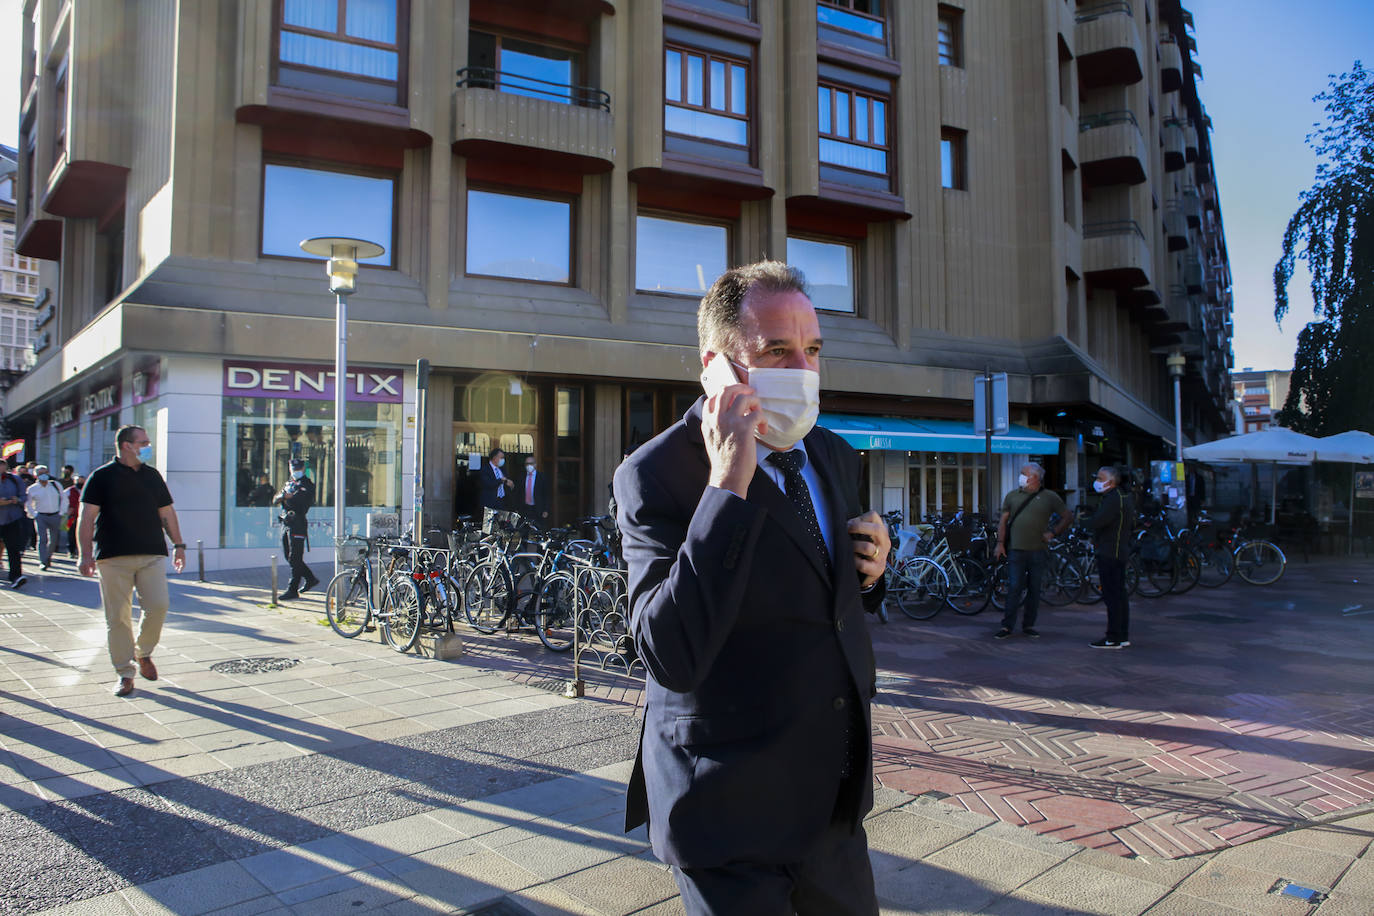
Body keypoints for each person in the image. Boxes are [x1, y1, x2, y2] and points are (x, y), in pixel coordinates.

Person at [613, 260, 891, 915]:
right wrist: (727, 485)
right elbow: (667, 650)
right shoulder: (654, 474)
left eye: (813, 350)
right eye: (776, 351)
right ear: (718, 365)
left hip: (833, 807)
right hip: (727, 813)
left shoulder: (832, 454)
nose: (803, 368)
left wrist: (874, 571)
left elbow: (828, 593)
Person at [77, 425, 187, 698]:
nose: (148, 446)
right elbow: (86, 518)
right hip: (113, 557)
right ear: (126, 445)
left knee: (159, 606)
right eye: (144, 442)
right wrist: (85, 554)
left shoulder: (152, 475)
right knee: (118, 618)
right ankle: (125, 673)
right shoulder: (101, 477)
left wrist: (179, 545)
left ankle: (143, 652)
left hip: (151, 553)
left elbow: (167, 512)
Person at [993, 461, 1070, 639]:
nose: (1020, 476)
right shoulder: (1012, 496)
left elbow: (1067, 516)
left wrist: (1053, 532)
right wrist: (1000, 543)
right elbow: (1003, 521)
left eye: (1024, 473)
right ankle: (1007, 626)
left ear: (1035, 478)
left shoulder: (1049, 497)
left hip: (1038, 549)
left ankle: (1029, 624)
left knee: (1035, 589)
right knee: (1014, 587)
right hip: (1016, 549)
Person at [1084, 465, 1135, 648]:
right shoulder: (1123, 497)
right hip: (1118, 550)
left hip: (1110, 551)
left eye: (1100, 478)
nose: (1097, 481)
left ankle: (1113, 636)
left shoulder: (1113, 499)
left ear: (1111, 482)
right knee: (1119, 595)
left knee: (1112, 595)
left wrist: (1084, 522)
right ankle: (1121, 634)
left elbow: (1099, 521)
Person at [275, 458, 318, 600]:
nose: (295, 472)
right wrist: (283, 496)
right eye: (293, 469)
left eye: (297, 469)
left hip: (298, 522)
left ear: (303, 469)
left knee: (295, 557)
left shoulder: (306, 484)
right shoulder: (289, 483)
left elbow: (299, 501)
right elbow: (275, 498)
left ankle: (292, 589)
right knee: (289, 556)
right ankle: (310, 578)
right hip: (286, 523)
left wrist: (286, 498)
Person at [25, 464, 66, 570]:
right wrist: (34, 515)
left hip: (55, 515)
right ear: (36, 475)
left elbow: (64, 499)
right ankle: (43, 561)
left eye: (45, 472)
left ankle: (48, 557)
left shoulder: (56, 485)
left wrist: (61, 512)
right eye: (41, 473)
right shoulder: (32, 489)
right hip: (41, 516)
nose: (44, 475)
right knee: (42, 539)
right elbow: (28, 504)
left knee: (53, 540)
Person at [0, 458, 29, 589]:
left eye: (3, 466)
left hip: (12, 519)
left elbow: (24, 496)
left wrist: (17, 500)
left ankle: (16, 577)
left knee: (13, 548)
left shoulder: (15, 479)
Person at [519, 456, 550, 528]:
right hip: (525, 509)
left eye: (531, 463)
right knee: (524, 531)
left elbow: (546, 494)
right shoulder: (521, 477)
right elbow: (518, 493)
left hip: (538, 509)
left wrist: (546, 510)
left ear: (535, 464)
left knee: (540, 530)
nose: (529, 466)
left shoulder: (542, 477)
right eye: (527, 464)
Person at [479, 448, 512, 512]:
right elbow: (488, 484)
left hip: (501, 502)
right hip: (489, 502)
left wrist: (509, 484)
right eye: (501, 458)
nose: (503, 460)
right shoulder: (485, 469)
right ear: (494, 457)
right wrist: (500, 480)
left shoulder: (502, 469)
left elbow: (506, 482)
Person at [64, 474, 83, 558]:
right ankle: (70, 550)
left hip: (82, 515)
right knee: (70, 534)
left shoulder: (86, 490)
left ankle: (79, 551)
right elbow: (63, 502)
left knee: (81, 533)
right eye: (78, 481)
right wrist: (66, 512)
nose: (80, 482)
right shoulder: (69, 491)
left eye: (82, 481)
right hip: (70, 515)